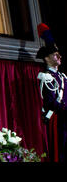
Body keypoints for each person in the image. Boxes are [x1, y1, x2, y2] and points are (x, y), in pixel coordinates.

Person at [36, 23, 67, 162]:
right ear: (47, 59)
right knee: (60, 149)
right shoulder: (46, 77)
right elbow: (51, 101)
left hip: (65, 116)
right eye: (55, 55)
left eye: (58, 54)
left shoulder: (63, 77)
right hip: (57, 118)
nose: (59, 56)